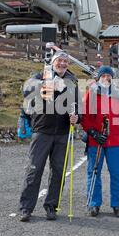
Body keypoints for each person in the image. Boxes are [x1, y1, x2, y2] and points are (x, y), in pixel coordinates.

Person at [18, 51, 80, 222]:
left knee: (58, 172)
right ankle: (25, 208)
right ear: (53, 62)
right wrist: (46, 83)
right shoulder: (40, 75)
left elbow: (77, 107)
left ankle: (51, 206)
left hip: (62, 133)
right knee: (34, 169)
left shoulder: (72, 81)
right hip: (42, 130)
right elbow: (27, 90)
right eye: (59, 60)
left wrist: (77, 117)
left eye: (65, 61)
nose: (62, 63)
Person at [81, 66, 119, 218]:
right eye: (104, 76)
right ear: (99, 77)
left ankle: (118, 205)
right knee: (94, 172)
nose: (107, 78)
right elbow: (84, 117)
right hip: (96, 140)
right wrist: (93, 133)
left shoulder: (117, 93)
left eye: (109, 76)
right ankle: (93, 204)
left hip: (114, 140)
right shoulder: (91, 94)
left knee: (117, 173)